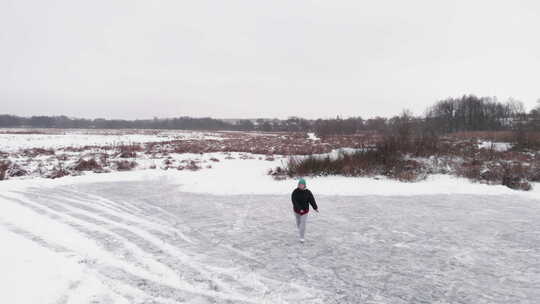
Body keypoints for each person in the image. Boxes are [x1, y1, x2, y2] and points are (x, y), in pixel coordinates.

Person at [291, 178, 318, 243]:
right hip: (297, 211)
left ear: (305, 185)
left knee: (303, 224)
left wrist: (315, 207)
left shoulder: (308, 192)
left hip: (305, 211)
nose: (301, 185)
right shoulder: (295, 192)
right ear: (298, 185)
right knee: (298, 223)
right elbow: (294, 201)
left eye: (302, 184)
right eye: (299, 184)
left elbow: (312, 200)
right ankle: (301, 230)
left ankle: (302, 237)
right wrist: (299, 209)